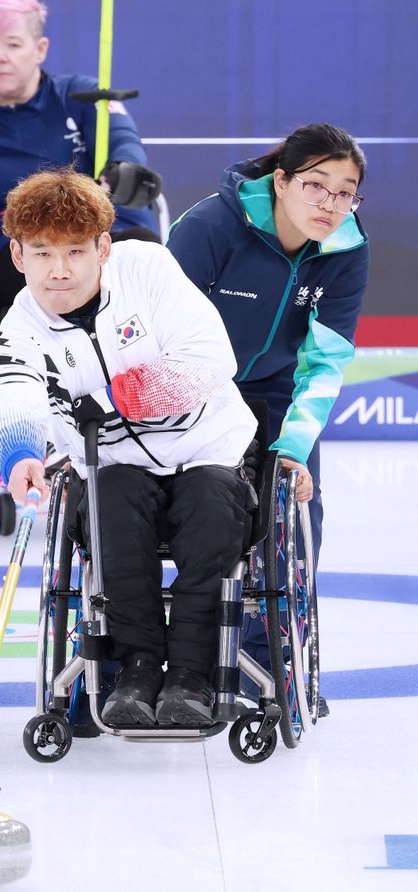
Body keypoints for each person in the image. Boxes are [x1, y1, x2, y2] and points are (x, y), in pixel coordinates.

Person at [0, 168, 257, 727]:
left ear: (103, 248)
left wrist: (112, 400)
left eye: (75, 251)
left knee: (210, 507)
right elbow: (14, 395)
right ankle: (137, 668)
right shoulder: (19, 330)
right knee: (109, 504)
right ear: (18, 256)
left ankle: (191, 673)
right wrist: (20, 456)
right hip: (113, 465)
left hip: (206, 449)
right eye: (42, 253)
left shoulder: (148, 269)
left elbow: (210, 358)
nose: (59, 270)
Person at [167, 123, 369, 703]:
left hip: (277, 388)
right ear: (281, 181)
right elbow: (161, 334)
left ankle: (269, 661)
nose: (329, 204)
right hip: (193, 384)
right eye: (316, 185)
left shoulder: (347, 248)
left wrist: (294, 448)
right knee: (187, 507)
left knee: (298, 506)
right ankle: (153, 655)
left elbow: (326, 359)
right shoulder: (210, 226)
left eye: (345, 192)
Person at [0, 0, 162, 330]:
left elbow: (123, 140)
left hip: (108, 239)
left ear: (40, 49)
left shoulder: (83, 98)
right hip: (20, 258)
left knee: (143, 257)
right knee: (39, 270)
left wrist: (125, 169)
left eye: (13, 44)